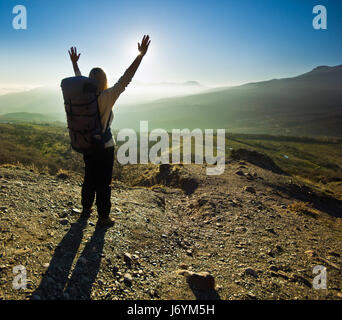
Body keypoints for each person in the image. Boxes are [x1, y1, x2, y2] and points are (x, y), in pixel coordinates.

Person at [68, 35, 151, 227]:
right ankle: (103, 218)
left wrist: (74, 64)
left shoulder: (83, 98)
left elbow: (79, 80)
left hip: (88, 145)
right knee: (103, 183)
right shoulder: (107, 96)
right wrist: (140, 56)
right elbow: (126, 78)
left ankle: (86, 209)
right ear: (104, 80)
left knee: (89, 178)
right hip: (104, 147)